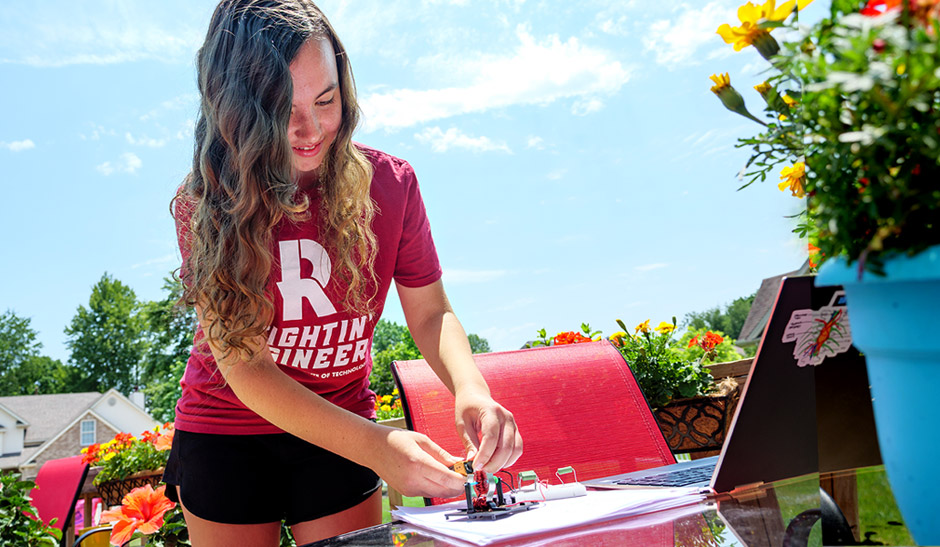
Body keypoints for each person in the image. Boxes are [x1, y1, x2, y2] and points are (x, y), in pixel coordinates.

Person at [163, 1, 523, 545]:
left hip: (345, 426)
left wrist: (469, 389)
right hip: (225, 433)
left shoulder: (392, 184)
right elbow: (246, 367)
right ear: (233, 107)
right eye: (280, 109)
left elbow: (430, 312)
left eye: (326, 100)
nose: (311, 130)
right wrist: (378, 447)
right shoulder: (206, 203)